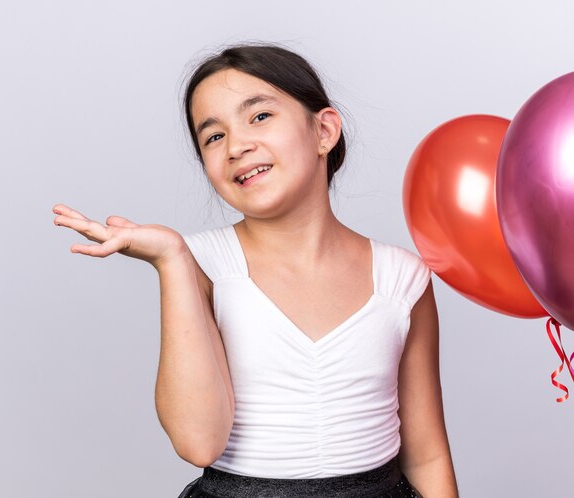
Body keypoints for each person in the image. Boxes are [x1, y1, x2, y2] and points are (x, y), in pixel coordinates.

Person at [53, 43, 459, 498]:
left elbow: (427, 455)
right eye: (213, 136)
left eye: (260, 116)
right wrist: (172, 260)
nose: (238, 146)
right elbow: (197, 442)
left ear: (324, 130)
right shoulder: (200, 264)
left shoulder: (403, 278)